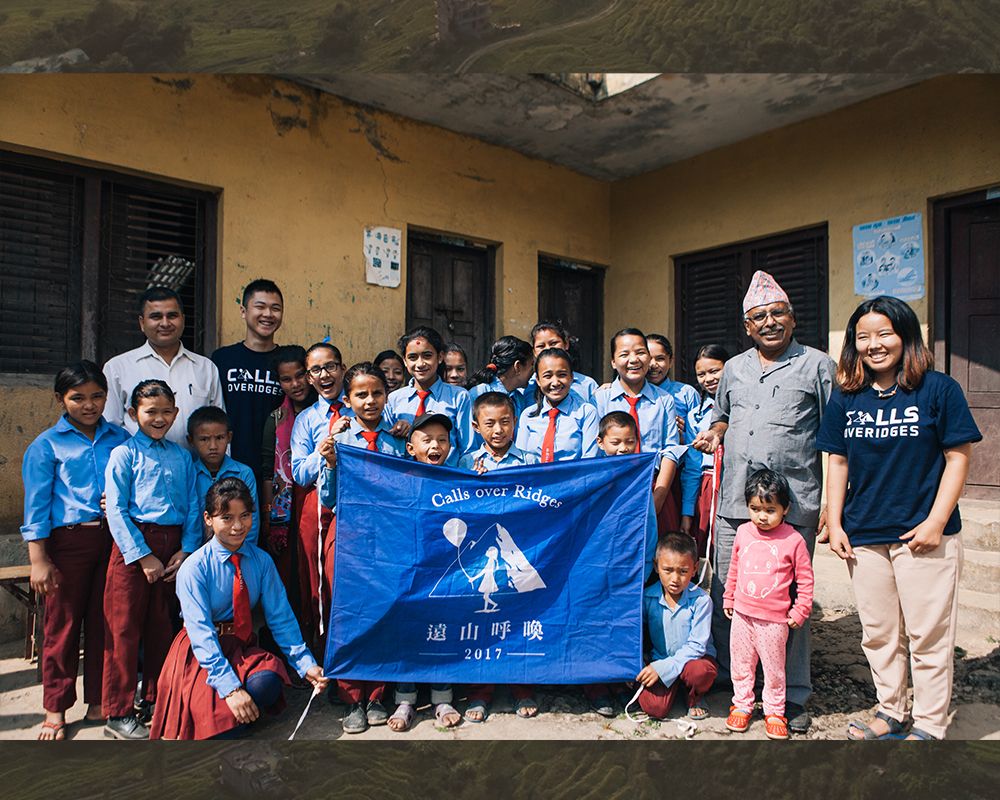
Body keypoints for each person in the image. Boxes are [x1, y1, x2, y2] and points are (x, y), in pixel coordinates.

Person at [816, 296, 982, 741]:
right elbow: (837, 461)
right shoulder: (847, 396)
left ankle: (929, 723)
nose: (873, 344)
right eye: (863, 336)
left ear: (906, 335)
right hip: (864, 533)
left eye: (884, 333)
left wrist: (936, 522)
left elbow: (958, 457)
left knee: (929, 635)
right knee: (879, 634)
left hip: (923, 533)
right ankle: (891, 711)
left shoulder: (938, 389)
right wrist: (836, 521)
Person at [692, 270, 834, 733]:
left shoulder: (817, 366)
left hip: (791, 508)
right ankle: (734, 684)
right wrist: (715, 432)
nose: (769, 322)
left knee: (788, 602)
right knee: (728, 595)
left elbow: (837, 438)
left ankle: (791, 693)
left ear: (792, 318)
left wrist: (834, 504)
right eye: (759, 317)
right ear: (747, 327)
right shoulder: (733, 368)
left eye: (777, 314)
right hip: (736, 504)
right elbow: (721, 416)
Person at [150, 478, 329, 740]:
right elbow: (201, 634)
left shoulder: (261, 561)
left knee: (267, 683)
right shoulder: (194, 568)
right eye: (226, 517)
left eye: (245, 516)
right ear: (208, 519)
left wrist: (306, 665)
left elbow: (280, 617)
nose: (237, 526)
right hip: (201, 654)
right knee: (213, 727)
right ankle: (232, 716)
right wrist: (232, 690)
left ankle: (236, 715)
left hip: (239, 646)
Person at [21, 361, 130, 740]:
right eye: (77, 398)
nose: (89, 405)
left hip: (113, 540)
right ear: (60, 399)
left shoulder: (120, 438)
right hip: (67, 543)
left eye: (97, 396)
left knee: (106, 623)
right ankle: (55, 707)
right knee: (62, 627)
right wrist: (38, 559)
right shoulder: (46, 445)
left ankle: (99, 701)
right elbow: (36, 506)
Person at [102, 379, 203, 739]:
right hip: (133, 546)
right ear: (133, 414)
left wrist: (186, 549)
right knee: (124, 629)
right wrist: (143, 556)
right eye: (150, 412)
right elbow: (116, 510)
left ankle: (155, 699)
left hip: (172, 546)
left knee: (162, 626)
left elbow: (194, 505)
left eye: (166, 412)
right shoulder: (123, 455)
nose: (159, 419)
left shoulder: (182, 456)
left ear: (175, 413)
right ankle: (117, 712)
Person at [316, 362, 407, 734]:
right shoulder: (339, 439)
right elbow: (328, 497)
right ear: (348, 398)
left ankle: (377, 695)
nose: (370, 401)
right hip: (350, 533)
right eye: (361, 394)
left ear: (387, 395)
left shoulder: (399, 439)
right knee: (349, 612)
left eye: (377, 393)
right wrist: (330, 462)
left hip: (389, 534)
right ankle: (352, 696)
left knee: (384, 610)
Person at [458, 392, 539, 723]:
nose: (498, 430)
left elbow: (544, 502)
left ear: (515, 422)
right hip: (482, 555)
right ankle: (480, 690)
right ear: (476, 426)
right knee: (481, 620)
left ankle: (522, 687)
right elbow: (455, 507)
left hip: (519, 547)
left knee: (519, 616)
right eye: (489, 423)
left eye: (505, 422)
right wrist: (471, 485)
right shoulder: (465, 463)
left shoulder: (530, 461)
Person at [723, 469, 814, 740]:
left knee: (774, 669)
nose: (762, 516)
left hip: (774, 621)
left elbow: (805, 580)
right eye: (755, 509)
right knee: (741, 664)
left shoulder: (793, 540)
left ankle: (774, 711)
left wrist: (801, 609)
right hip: (742, 616)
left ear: (786, 509)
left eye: (770, 510)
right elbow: (734, 568)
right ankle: (742, 704)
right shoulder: (743, 533)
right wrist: (729, 596)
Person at [389, 413, 463, 732]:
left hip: (443, 572)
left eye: (442, 440)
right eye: (428, 440)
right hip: (407, 571)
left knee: (440, 630)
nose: (436, 446)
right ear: (410, 448)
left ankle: (442, 698)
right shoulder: (398, 481)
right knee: (407, 631)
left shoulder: (457, 481)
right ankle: (405, 699)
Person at [588, 411, 660, 717]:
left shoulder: (640, 475)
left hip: (632, 565)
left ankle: (621, 679)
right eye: (615, 442)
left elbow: (649, 523)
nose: (623, 448)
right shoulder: (591, 475)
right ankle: (595, 684)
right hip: (598, 564)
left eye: (629, 442)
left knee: (624, 622)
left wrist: (647, 561)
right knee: (594, 622)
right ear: (600, 442)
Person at [103, 287, 224, 449]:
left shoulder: (206, 368)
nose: (165, 323)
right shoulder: (117, 368)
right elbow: (110, 430)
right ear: (142, 323)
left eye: (172, 316)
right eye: (156, 316)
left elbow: (219, 426)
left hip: (194, 465)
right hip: (138, 465)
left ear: (183, 319)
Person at [290, 342, 351, 647]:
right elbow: (300, 473)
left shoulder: (360, 406)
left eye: (330, 366)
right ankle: (320, 647)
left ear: (342, 369)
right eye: (316, 370)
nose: (324, 375)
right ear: (309, 378)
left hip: (355, 500)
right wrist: (327, 444)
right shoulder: (306, 419)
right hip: (316, 505)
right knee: (315, 579)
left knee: (349, 575)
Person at [594, 329, 681, 530]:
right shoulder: (599, 399)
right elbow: (595, 451)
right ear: (613, 362)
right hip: (612, 491)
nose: (633, 360)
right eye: (624, 354)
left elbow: (671, 450)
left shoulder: (664, 400)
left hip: (653, 486)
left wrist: (659, 497)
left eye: (640, 352)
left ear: (649, 358)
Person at [635, 532, 718, 721]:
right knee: (654, 707)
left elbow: (697, 647)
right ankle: (674, 686)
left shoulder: (701, 601)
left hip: (694, 661)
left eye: (683, 571)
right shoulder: (647, 597)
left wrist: (663, 668)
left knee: (699, 673)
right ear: (656, 566)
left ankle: (694, 695)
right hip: (661, 658)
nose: (675, 579)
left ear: (694, 569)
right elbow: (638, 632)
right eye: (668, 570)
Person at [211, 279, 285, 480]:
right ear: (243, 311)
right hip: (229, 466)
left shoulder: (288, 362)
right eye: (260, 307)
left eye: (275, 308)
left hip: (277, 469)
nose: (268, 314)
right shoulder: (222, 359)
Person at [259, 345, 315, 609]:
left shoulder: (326, 413)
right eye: (286, 379)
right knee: (287, 569)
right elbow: (267, 470)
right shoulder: (276, 419)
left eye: (300, 375)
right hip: (285, 505)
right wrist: (269, 516)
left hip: (317, 498)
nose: (295, 384)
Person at [384, 326, 473, 466]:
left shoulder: (459, 397)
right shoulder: (394, 399)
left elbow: (468, 449)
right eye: (412, 357)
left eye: (427, 356)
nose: (420, 364)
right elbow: (388, 446)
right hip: (406, 475)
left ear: (440, 357)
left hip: (446, 475)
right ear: (405, 361)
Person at [679, 345, 729, 557]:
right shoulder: (694, 416)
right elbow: (692, 468)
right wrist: (687, 512)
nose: (708, 379)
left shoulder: (744, 406)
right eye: (701, 374)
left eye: (715, 371)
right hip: (708, 488)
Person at [188, 406, 259, 546]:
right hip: (198, 550)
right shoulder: (189, 474)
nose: (213, 446)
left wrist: (244, 552)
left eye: (219, 438)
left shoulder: (243, 473)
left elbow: (252, 518)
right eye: (204, 439)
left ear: (229, 437)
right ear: (191, 441)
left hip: (239, 549)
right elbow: (188, 517)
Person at [515, 348, 599, 462]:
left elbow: (590, 460)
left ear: (571, 377)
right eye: (547, 376)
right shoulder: (528, 415)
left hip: (574, 474)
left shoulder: (586, 413)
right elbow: (521, 460)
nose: (555, 383)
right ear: (538, 380)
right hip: (535, 474)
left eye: (562, 375)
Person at [467, 336, 534, 448]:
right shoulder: (478, 394)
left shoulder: (519, 399)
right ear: (517, 367)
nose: (533, 371)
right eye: (531, 365)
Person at [523, 321, 599, 405]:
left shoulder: (587, 385)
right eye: (541, 346)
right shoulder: (526, 386)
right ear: (534, 352)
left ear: (566, 344)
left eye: (553, 343)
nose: (548, 349)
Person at [646, 334, 700, 438]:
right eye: (648, 359)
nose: (653, 364)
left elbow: (699, 432)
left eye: (660, 359)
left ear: (670, 361)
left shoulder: (686, 393)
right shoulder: (632, 394)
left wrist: (683, 435)